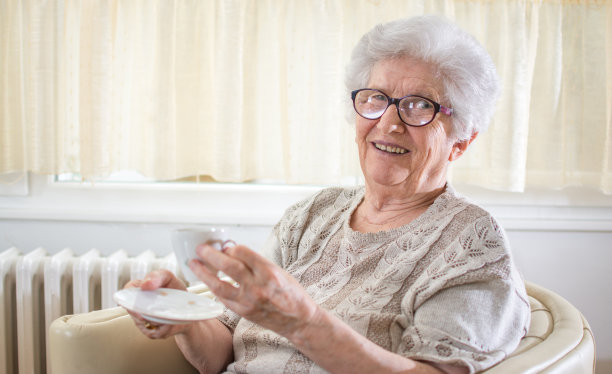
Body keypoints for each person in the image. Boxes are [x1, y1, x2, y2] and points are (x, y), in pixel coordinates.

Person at [126, 15, 530, 374]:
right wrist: (183, 317)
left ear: (461, 140)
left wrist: (301, 322)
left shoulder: (471, 242)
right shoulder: (312, 214)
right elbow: (222, 353)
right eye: (375, 99)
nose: (388, 123)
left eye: (419, 105)